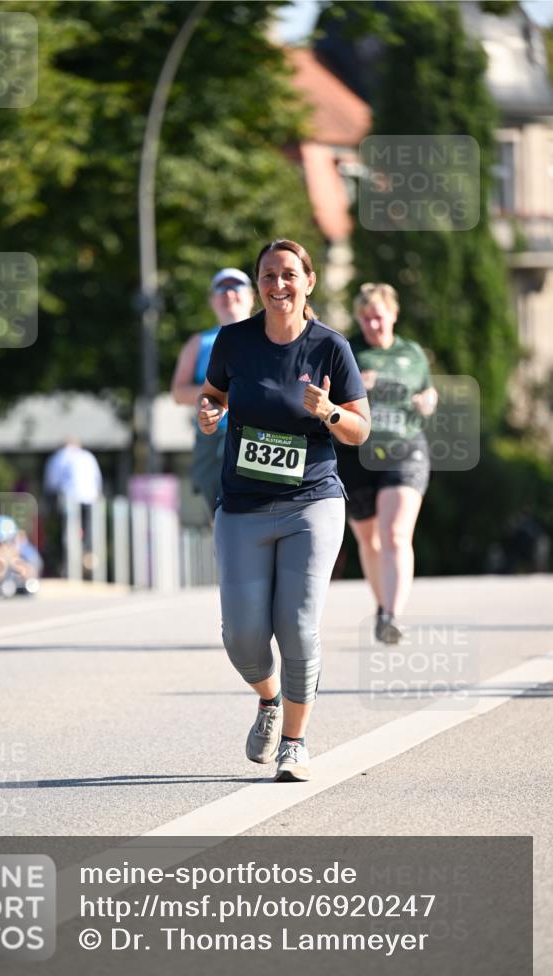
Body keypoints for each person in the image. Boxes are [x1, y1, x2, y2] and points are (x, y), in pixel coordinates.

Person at [197, 239, 370, 781]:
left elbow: (362, 430)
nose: (278, 285)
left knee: (296, 627)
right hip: (243, 505)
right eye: (268, 276)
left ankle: (295, 742)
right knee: (242, 636)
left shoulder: (331, 348)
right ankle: (269, 701)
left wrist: (331, 414)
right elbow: (214, 395)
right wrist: (209, 412)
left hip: (311, 502)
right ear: (258, 284)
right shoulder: (233, 341)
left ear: (308, 282)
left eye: (289, 275)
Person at [335, 283, 438, 644]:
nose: (372, 325)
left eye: (378, 317)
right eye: (365, 318)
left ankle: (392, 615)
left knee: (394, 533)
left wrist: (429, 401)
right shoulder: (347, 349)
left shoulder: (412, 353)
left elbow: (427, 392)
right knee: (369, 539)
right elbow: (328, 400)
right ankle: (382, 607)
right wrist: (354, 390)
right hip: (355, 454)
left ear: (393, 314)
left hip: (404, 449)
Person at [171, 268, 255, 516]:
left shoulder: (268, 335)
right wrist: (218, 390)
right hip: (215, 437)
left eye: (236, 287)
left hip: (259, 434)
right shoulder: (199, 342)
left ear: (251, 296)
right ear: (212, 300)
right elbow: (178, 392)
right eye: (221, 289)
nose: (229, 294)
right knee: (220, 519)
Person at [43, 438, 103, 575]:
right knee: (87, 532)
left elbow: (52, 482)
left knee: (68, 532)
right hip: (89, 499)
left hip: (70, 499)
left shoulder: (59, 457)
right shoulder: (88, 456)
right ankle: (87, 556)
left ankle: (69, 564)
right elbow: (97, 480)